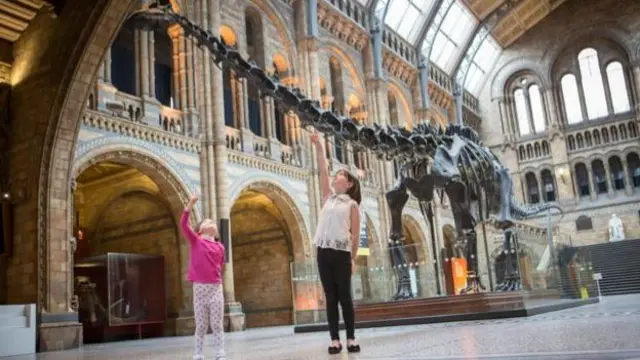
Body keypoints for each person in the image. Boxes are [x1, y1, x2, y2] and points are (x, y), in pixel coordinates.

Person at [310, 132, 362, 355]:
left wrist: (352, 259)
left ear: (349, 183)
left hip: (341, 254)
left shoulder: (352, 205)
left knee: (345, 297)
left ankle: (350, 338)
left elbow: (356, 235)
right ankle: (334, 339)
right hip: (323, 252)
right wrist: (320, 148)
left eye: (340, 174)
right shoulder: (327, 198)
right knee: (330, 297)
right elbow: (322, 170)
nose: (335, 176)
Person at [180, 194, 226, 360]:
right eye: (207, 222)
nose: (211, 222)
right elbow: (184, 224)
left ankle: (220, 353)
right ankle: (198, 354)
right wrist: (191, 203)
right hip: (200, 288)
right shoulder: (196, 241)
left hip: (215, 288)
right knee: (201, 325)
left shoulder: (220, 247)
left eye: (212, 222)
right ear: (199, 230)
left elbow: (220, 265)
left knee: (217, 324)